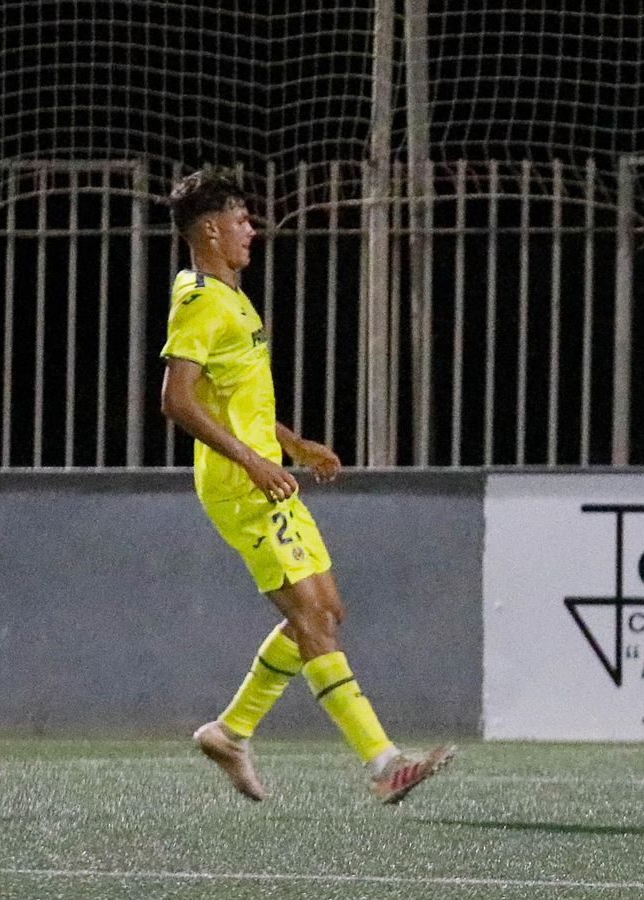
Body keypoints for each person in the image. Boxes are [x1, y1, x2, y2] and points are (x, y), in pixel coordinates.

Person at [159, 167, 453, 804]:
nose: (252, 231)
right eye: (241, 220)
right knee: (312, 616)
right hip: (241, 483)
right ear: (210, 229)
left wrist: (292, 445)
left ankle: (230, 732)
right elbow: (177, 401)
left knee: (324, 612)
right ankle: (383, 762)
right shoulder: (201, 301)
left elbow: (232, 395)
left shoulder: (231, 297)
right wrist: (253, 461)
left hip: (266, 471)